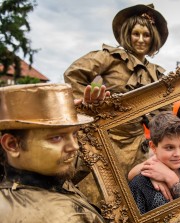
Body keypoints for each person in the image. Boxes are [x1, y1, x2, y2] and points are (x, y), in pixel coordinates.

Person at [64, 3, 172, 207]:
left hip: (137, 148)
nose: (140, 40)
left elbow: (165, 112)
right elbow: (73, 74)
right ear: (127, 34)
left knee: (132, 205)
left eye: (146, 35)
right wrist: (88, 107)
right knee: (98, 202)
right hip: (105, 142)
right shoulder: (110, 57)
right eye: (136, 33)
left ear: (153, 39)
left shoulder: (157, 73)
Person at [0, 83, 112, 223]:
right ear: (12, 144)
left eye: (74, 134)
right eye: (56, 137)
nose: (74, 146)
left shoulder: (38, 176)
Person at [129, 112, 180, 214]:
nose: (178, 154)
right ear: (153, 147)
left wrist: (171, 178)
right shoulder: (140, 184)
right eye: (169, 147)